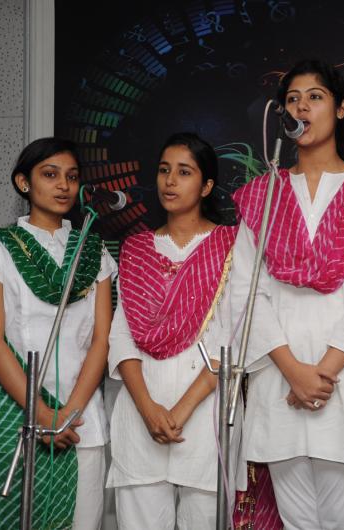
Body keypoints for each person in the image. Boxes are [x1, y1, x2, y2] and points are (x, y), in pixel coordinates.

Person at [230, 58, 344, 529]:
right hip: (280, 383)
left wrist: (322, 374)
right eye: (292, 100)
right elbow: (245, 293)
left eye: (315, 97)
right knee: (295, 522)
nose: (302, 108)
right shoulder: (263, 194)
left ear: (341, 108)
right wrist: (294, 372)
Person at [0, 137, 115, 529]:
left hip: (80, 424)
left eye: (72, 177)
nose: (63, 185)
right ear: (24, 182)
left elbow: (101, 339)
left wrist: (67, 415)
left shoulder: (93, 252)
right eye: (50, 174)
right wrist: (42, 414)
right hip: (13, 417)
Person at [106, 132, 244, 530]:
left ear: (206, 186)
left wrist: (181, 410)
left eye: (184, 172)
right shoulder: (136, 249)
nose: (170, 181)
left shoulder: (231, 246)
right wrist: (148, 409)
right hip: (141, 412)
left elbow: (232, 338)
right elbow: (121, 336)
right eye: (164, 170)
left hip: (205, 415)